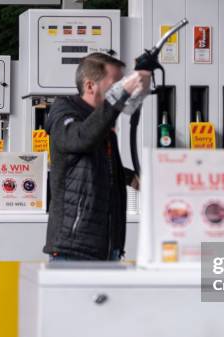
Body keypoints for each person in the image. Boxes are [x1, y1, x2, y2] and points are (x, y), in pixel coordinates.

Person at [44, 52, 151, 261]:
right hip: (74, 249)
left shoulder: (99, 121)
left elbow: (96, 166)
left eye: (123, 84)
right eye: (116, 84)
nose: (121, 90)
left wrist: (132, 178)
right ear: (90, 86)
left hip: (107, 247)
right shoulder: (64, 112)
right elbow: (80, 139)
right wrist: (119, 98)